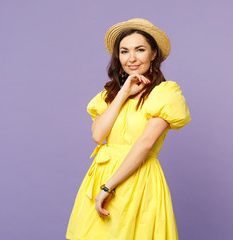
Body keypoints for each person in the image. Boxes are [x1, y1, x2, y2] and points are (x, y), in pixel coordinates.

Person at [66, 18, 191, 240]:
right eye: (124, 51)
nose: (131, 58)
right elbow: (98, 135)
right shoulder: (110, 95)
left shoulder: (165, 93)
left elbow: (145, 144)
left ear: (153, 54)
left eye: (139, 50)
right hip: (101, 177)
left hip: (136, 179)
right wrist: (124, 92)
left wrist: (108, 188)